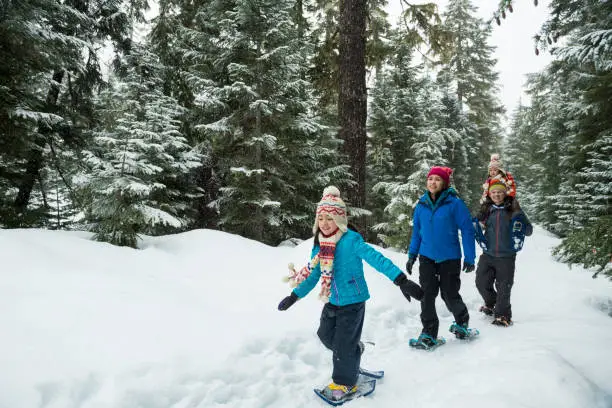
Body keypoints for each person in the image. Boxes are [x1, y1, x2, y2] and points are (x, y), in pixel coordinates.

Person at [277, 186, 423, 402]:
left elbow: (377, 259)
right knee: (325, 336)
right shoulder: (319, 245)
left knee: (343, 347)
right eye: (322, 219)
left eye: (330, 218)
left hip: (353, 301)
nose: (325, 223)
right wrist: (295, 295)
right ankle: (354, 351)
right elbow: (314, 275)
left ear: (339, 219)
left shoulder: (352, 240)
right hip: (332, 300)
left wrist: (401, 280)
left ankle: (345, 383)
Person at [406, 166, 476, 349]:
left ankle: (462, 323)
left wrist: (470, 257)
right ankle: (429, 333)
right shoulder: (421, 205)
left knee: (449, 293)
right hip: (426, 257)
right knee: (427, 295)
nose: (433, 182)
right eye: (430, 179)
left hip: (450, 257)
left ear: (444, 183)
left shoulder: (455, 204)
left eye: (437, 179)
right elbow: (417, 233)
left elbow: (467, 230)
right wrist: (412, 255)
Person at [474, 177, 533, 327]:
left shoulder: (513, 209)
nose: (496, 195)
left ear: (505, 193)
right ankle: (491, 303)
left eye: (500, 192)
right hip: (488, 254)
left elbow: (528, 230)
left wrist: (520, 223)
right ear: (489, 194)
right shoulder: (487, 209)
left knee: (504, 286)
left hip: (506, 256)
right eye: (493, 192)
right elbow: (474, 223)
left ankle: (503, 315)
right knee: (481, 282)